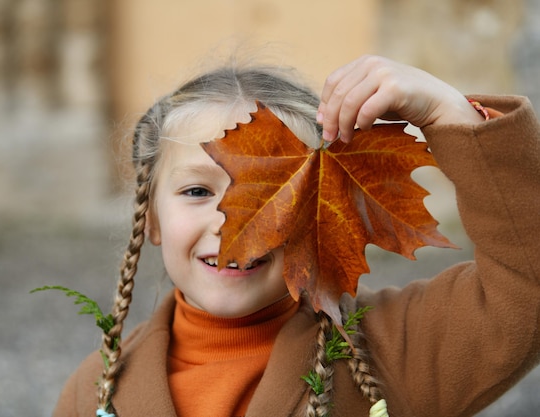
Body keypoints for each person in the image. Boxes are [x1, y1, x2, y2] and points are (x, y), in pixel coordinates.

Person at [52, 55, 540, 417]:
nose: (231, 219)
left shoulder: (397, 346)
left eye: (273, 194)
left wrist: (448, 111)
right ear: (151, 219)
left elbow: (528, 287)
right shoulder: (95, 389)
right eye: (198, 190)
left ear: (322, 212)